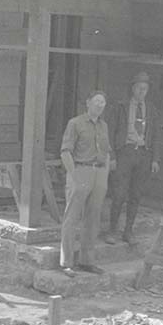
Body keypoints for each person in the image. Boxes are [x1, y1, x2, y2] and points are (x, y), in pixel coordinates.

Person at [58, 91, 113, 277]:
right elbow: (65, 151)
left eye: (103, 103)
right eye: (97, 101)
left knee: (93, 217)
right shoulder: (75, 123)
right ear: (88, 103)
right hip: (81, 170)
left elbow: (106, 151)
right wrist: (74, 175)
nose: (100, 105)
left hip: (99, 172)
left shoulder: (103, 126)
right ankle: (66, 262)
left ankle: (87, 261)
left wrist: (104, 172)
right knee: (72, 217)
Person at [105, 71, 161, 246]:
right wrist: (112, 156)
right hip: (125, 153)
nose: (141, 92)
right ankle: (112, 231)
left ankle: (128, 231)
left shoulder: (151, 109)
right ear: (132, 89)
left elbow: (156, 135)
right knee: (119, 193)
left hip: (143, 154)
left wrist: (155, 159)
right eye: (138, 88)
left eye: (144, 89)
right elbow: (110, 132)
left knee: (136, 194)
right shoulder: (121, 107)